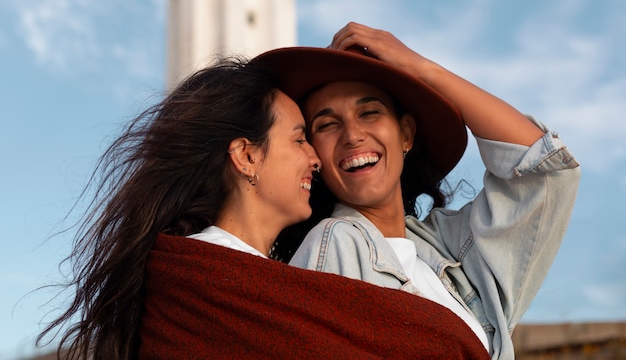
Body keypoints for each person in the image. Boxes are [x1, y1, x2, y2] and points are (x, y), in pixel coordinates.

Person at [37, 57, 490, 360]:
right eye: (299, 139)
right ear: (246, 156)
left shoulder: (272, 282)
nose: (315, 157)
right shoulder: (201, 286)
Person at [256, 22, 581, 359]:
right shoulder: (336, 242)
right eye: (326, 124)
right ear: (313, 155)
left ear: (406, 134)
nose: (352, 135)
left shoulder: (450, 253)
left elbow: (544, 172)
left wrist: (422, 68)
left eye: (369, 112)